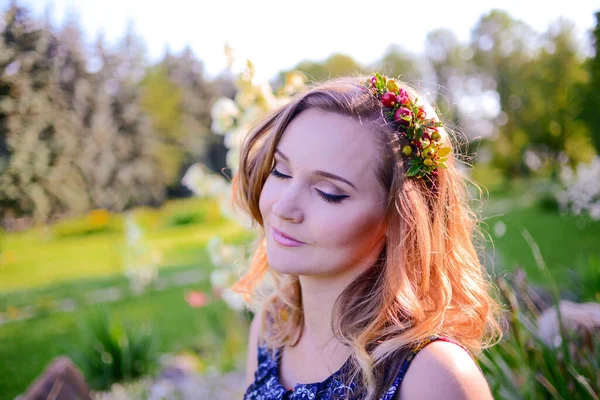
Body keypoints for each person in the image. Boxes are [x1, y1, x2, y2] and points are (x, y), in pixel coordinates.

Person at [231, 73, 502, 399]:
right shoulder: (272, 329)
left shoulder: (432, 374)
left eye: (328, 192)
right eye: (280, 171)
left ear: (400, 218)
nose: (283, 206)